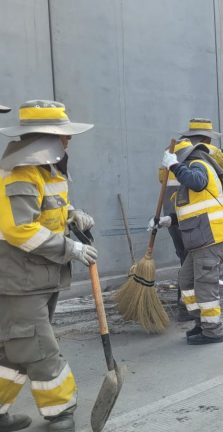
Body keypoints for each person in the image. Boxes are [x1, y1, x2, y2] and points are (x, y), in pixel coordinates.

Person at [0, 100, 97, 432]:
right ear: (42, 138)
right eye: (62, 136)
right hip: (20, 278)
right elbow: (19, 229)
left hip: (40, 276)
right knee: (39, 347)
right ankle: (60, 413)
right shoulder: (19, 173)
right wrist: (71, 248)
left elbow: (51, 207)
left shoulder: (48, 170)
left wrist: (73, 215)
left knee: (15, 350)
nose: (67, 142)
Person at [150, 139, 223, 345]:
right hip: (200, 241)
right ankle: (201, 323)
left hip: (212, 239)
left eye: (174, 161)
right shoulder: (185, 182)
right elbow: (190, 213)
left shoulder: (200, 165)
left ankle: (213, 331)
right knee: (186, 281)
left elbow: (198, 182)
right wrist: (166, 221)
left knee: (204, 286)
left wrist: (174, 165)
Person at [162, 118, 223, 320]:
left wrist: (168, 219)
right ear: (206, 138)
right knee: (202, 273)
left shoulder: (170, 151)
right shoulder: (203, 153)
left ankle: (191, 311)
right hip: (203, 222)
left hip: (180, 214)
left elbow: (162, 178)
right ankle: (206, 321)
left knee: (187, 266)